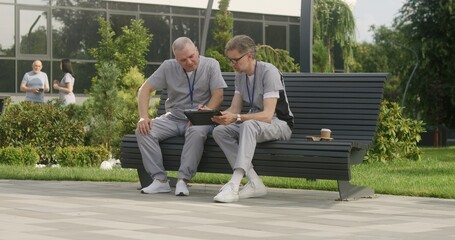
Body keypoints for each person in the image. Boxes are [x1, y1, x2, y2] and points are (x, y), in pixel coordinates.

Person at [135, 37, 227, 196]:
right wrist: (143, 117)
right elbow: (145, 89)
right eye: (183, 60)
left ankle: (183, 180)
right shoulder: (167, 67)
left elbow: (218, 95)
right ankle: (160, 181)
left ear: (197, 50)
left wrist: (203, 114)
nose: (189, 62)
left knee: (196, 132)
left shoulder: (211, 65)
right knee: (144, 130)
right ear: (176, 59)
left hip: (200, 119)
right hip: (173, 117)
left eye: (192, 56)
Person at [211, 35, 294, 203]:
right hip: (254, 123)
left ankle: (234, 184)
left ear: (249, 56)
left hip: (279, 123)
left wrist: (238, 117)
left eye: (235, 60)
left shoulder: (269, 72)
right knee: (220, 131)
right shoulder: (240, 75)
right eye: (230, 60)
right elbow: (235, 109)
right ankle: (255, 181)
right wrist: (217, 116)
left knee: (247, 125)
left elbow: (268, 115)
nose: (232, 64)